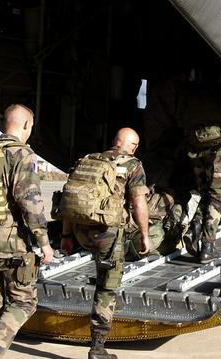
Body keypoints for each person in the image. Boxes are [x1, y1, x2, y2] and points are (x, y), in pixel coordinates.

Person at [0, 104, 54, 359]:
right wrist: (44, 243)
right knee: (24, 302)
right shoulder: (21, 154)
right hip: (8, 247)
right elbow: (30, 202)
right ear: (26, 125)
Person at [60, 128, 150, 359]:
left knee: (103, 272)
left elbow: (69, 199)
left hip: (81, 231)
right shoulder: (132, 165)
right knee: (106, 288)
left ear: (113, 142)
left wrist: (66, 236)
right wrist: (145, 234)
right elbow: (139, 203)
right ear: (134, 146)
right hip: (106, 234)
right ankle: (98, 348)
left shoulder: (88, 160)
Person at [182, 74, 221, 264]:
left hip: (195, 144)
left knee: (202, 190)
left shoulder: (191, 90)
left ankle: (195, 227)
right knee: (217, 194)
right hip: (218, 147)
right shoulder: (220, 88)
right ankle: (208, 245)